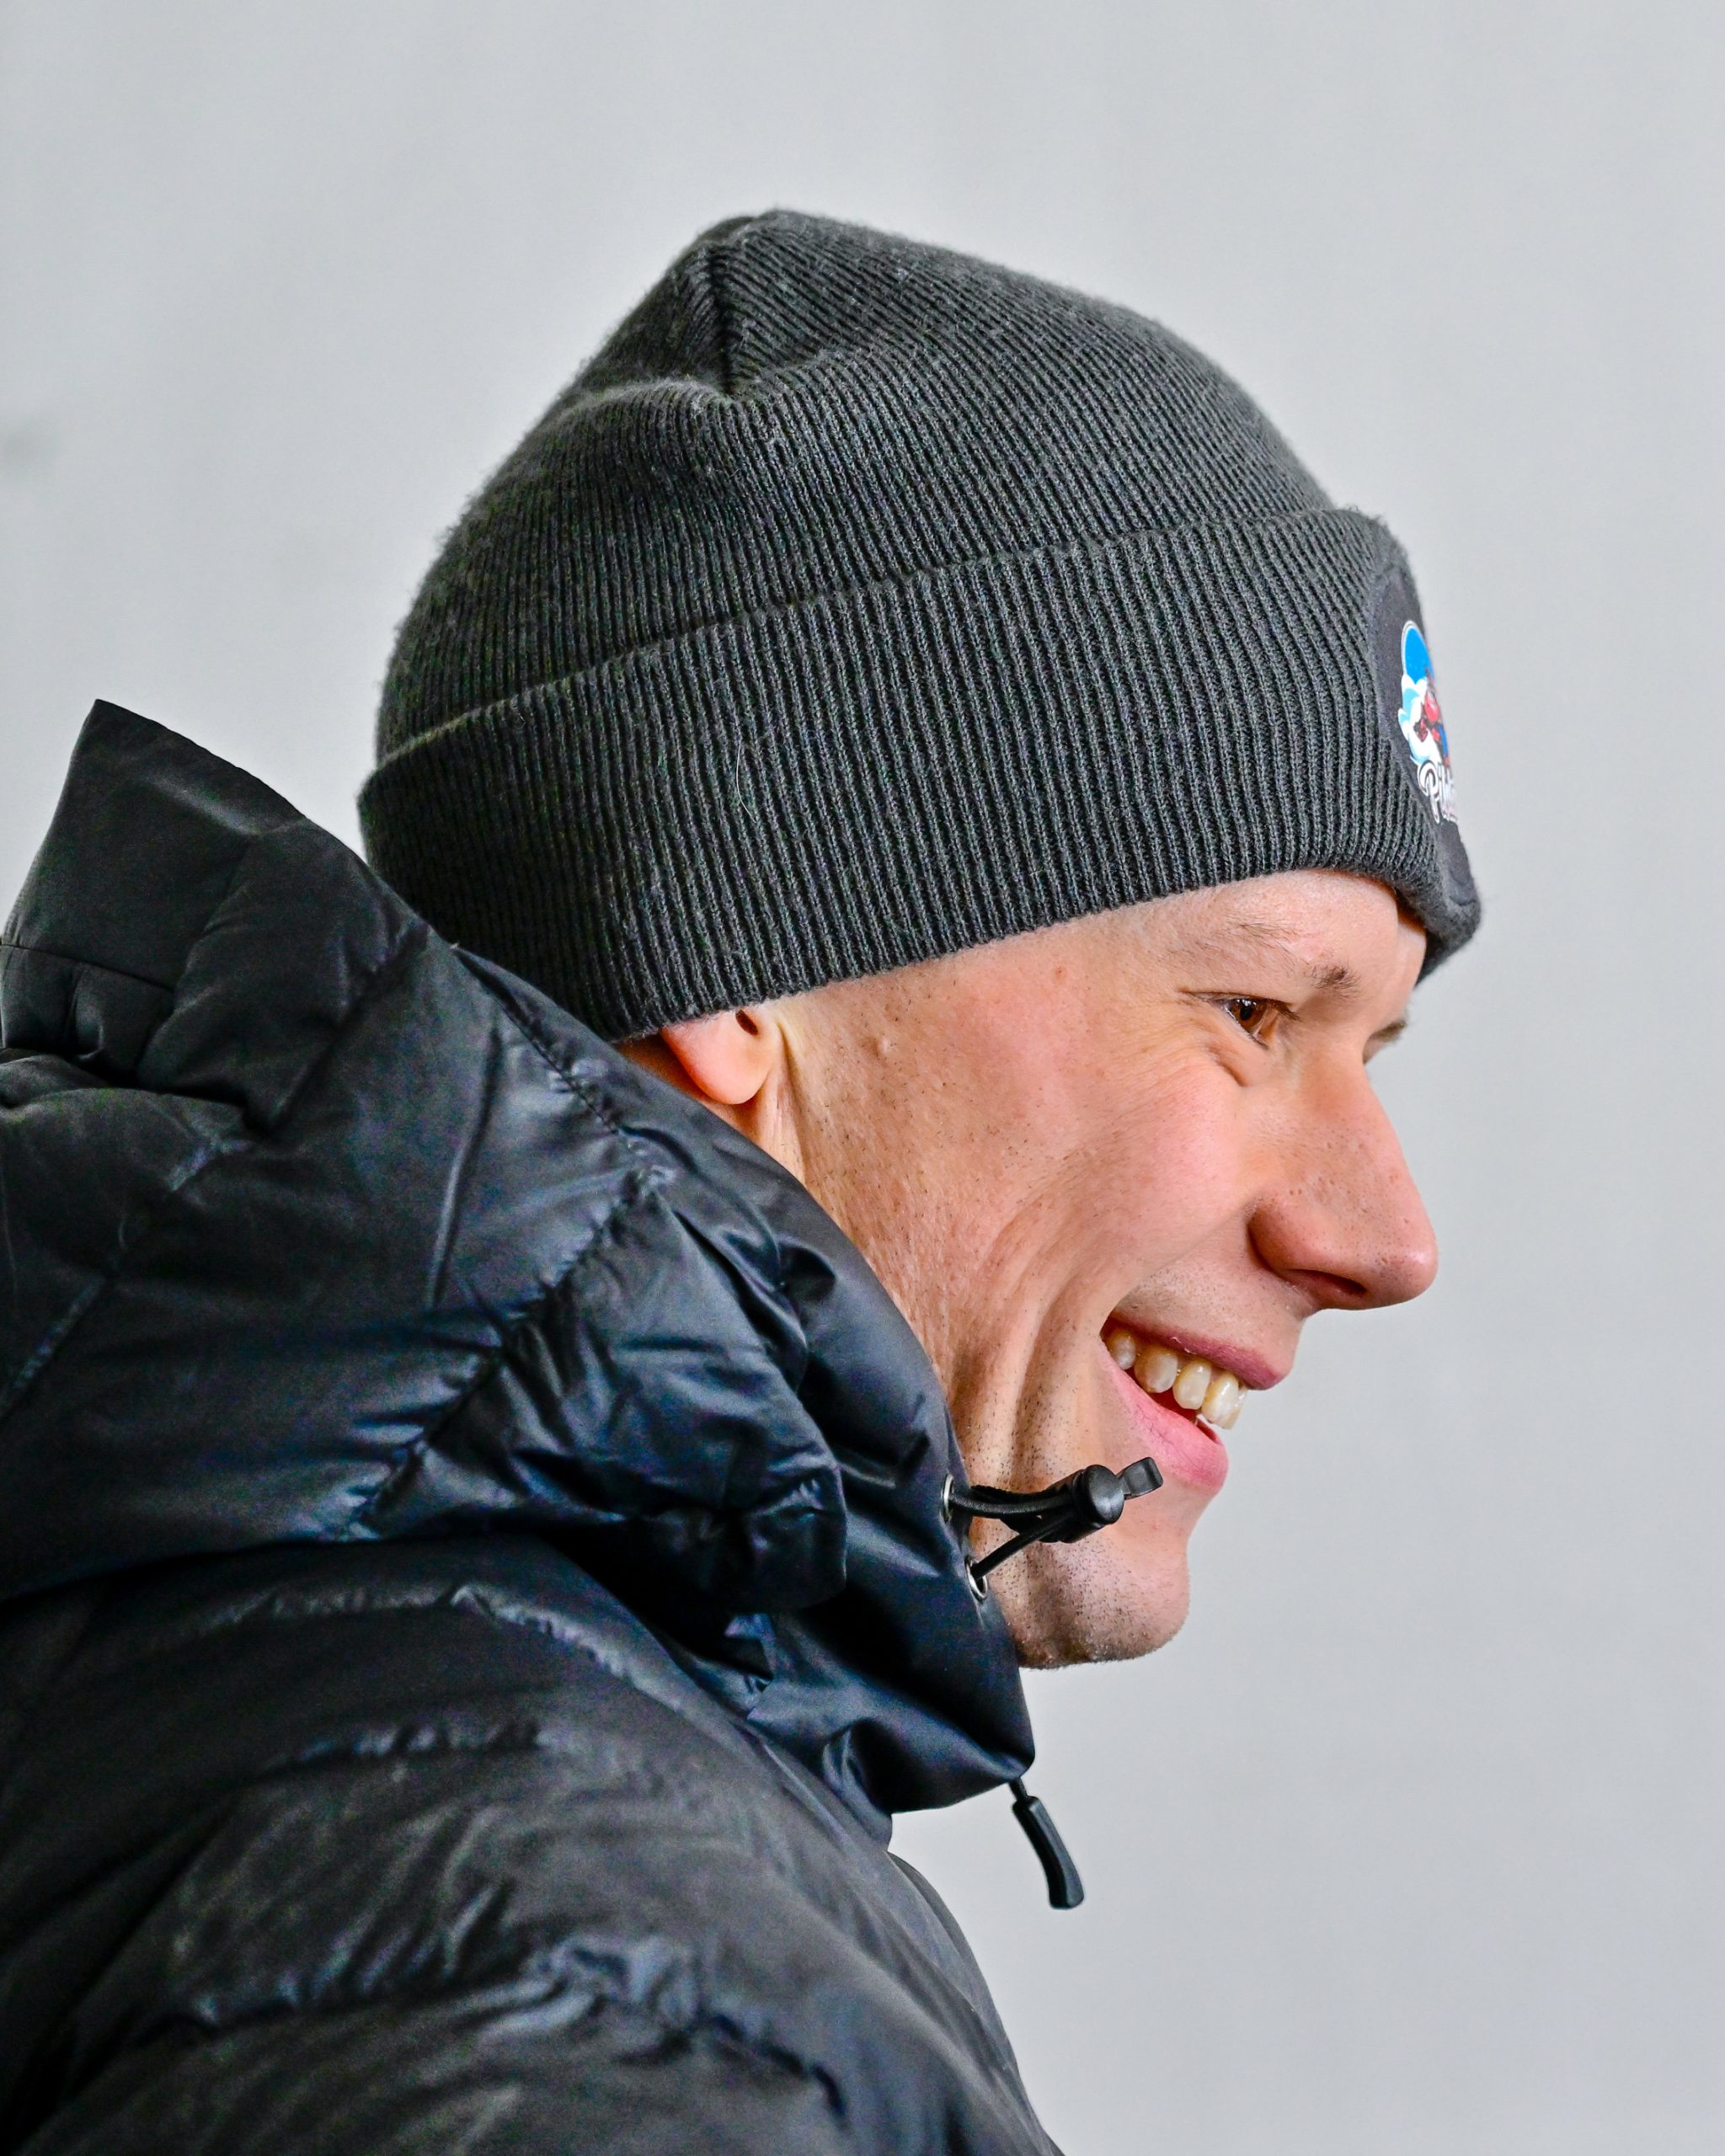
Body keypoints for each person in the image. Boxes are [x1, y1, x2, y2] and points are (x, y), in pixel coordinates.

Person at [0, 211, 1477, 2153]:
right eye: (1251, 1009)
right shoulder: (568, 1959)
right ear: (736, 966)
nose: (1384, 1237)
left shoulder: (316, 1694)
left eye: (1374, 1048)